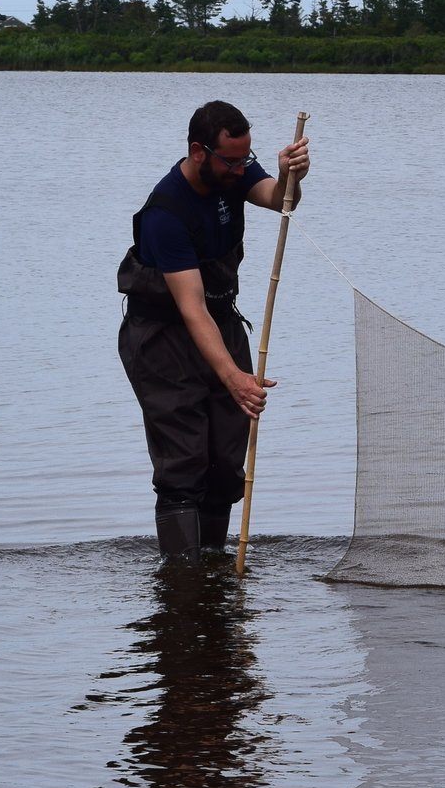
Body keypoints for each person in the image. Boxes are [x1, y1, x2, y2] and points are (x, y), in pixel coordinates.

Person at [118, 101, 311, 560]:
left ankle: (215, 562)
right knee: (184, 465)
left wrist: (291, 177)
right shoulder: (167, 212)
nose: (240, 168)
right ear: (198, 151)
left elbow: (276, 198)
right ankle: (184, 577)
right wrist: (235, 379)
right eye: (231, 160)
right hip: (162, 341)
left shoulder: (234, 169)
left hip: (222, 324)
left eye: (247, 158)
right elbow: (191, 309)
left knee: (225, 465)